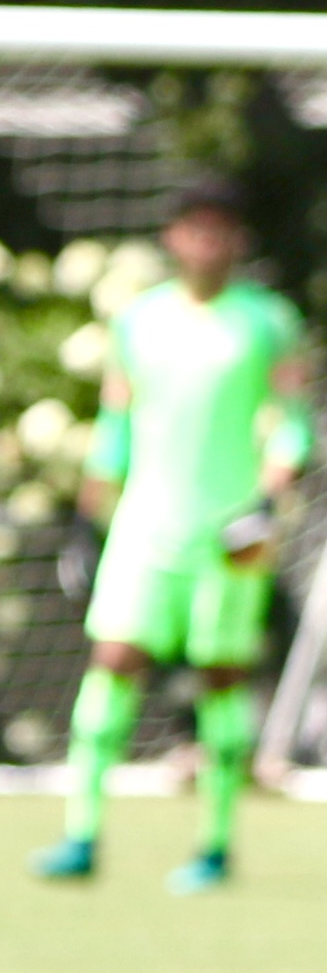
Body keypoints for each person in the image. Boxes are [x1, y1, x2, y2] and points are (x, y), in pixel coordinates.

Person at [37, 174, 309, 894]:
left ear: (238, 240)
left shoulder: (267, 322)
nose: (206, 241)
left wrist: (270, 496)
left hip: (231, 532)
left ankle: (216, 846)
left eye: (220, 228)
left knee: (222, 681)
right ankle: (81, 833)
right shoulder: (140, 321)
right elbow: (116, 429)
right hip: (146, 527)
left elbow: (295, 427)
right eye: (195, 226)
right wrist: (86, 521)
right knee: (113, 662)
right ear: (173, 236)